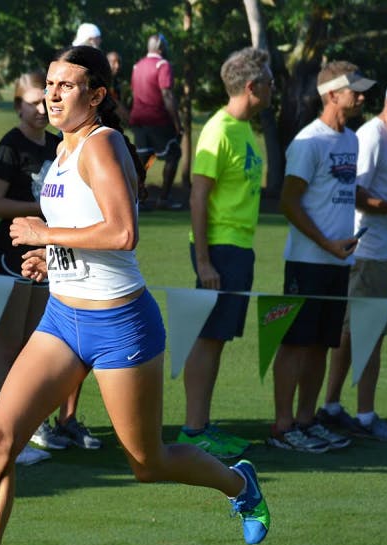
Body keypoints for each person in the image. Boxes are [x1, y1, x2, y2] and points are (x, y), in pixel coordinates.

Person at [0, 46, 269, 545]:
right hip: (63, 316)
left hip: (119, 322)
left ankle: (240, 482)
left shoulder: (102, 142)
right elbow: (86, 236)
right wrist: (50, 259)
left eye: (66, 86)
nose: (51, 95)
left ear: (97, 94)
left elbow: (123, 232)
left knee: (147, 462)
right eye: (48, 85)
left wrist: (42, 230)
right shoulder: (62, 149)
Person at [0, 71, 99, 462]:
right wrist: (40, 212)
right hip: (9, 253)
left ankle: (27, 429)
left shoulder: (57, 144)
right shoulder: (10, 146)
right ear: (17, 106)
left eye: (44, 97)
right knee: (5, 345)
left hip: (47, 256)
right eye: (31, 101)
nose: (40, 106)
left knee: (33, 345)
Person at [317, 75, 387, 443]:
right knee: (369, 334)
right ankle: (366, 416)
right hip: (368, 253)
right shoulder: (371, 136)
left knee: (353, 334)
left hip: (379, 254)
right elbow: (355, 191)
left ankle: (332, 407)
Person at [270, 61, 375, 453]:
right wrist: (325, 243)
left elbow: (350, 192)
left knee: (321, 345)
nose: (362, 96)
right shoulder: (308, 142)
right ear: (332, 94)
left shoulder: (350, 139)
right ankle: (283, 427)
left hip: (338, 263)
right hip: (307, 262)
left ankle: (306, 420)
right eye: (355, 90)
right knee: (296, 343)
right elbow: (289, 202)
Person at [178, 47, 273, 460]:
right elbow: (198, 196)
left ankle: (203, 424)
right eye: (269, 83)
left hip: (238, 248)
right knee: (208, 336)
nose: (274, 90)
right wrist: (203, 260)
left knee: (217, 339)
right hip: (219, 248)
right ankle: (193, 429)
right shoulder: (217, 129)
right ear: (252, 87)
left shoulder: (244, 129)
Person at [129, 34, 184, 209]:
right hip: (158, 120)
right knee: (173, 155)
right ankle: (164, 198)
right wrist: (177, 122)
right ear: (161, 47)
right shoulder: (163, 65)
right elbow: (166, 94)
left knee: (142, 160)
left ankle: (135, 199)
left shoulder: (137, 66)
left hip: (138, 120)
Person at [106, 50, 131, 126]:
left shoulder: (117, 82)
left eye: (119, 62)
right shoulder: (102, 80)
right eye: (114, 62)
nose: (117, 66)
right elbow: (114, 102)